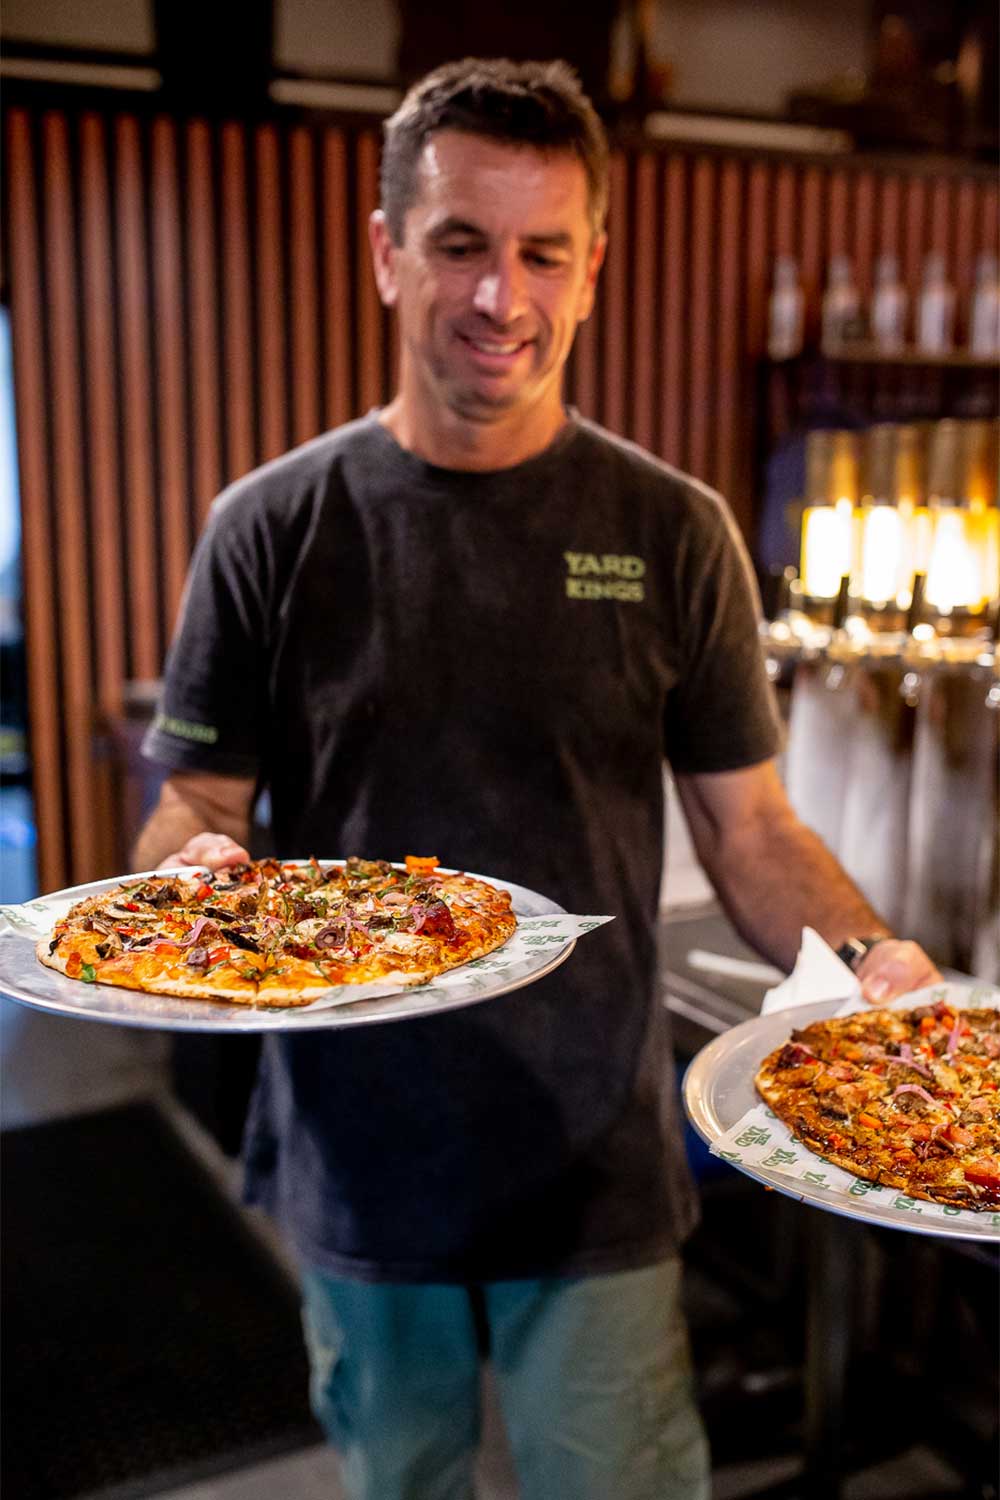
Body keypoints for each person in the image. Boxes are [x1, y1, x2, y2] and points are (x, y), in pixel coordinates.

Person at [135, 58, 940, 1500]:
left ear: (592, 268)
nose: (501, 296)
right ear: (385, 251)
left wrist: (871, 955)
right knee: (405, 1482)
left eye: (540, 253)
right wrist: (190, 870)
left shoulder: (672, 531)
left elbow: (750, 826)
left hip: (591, 1163)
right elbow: (196, 803)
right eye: (459, 244)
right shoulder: (269, 526)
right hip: (358, 1151)